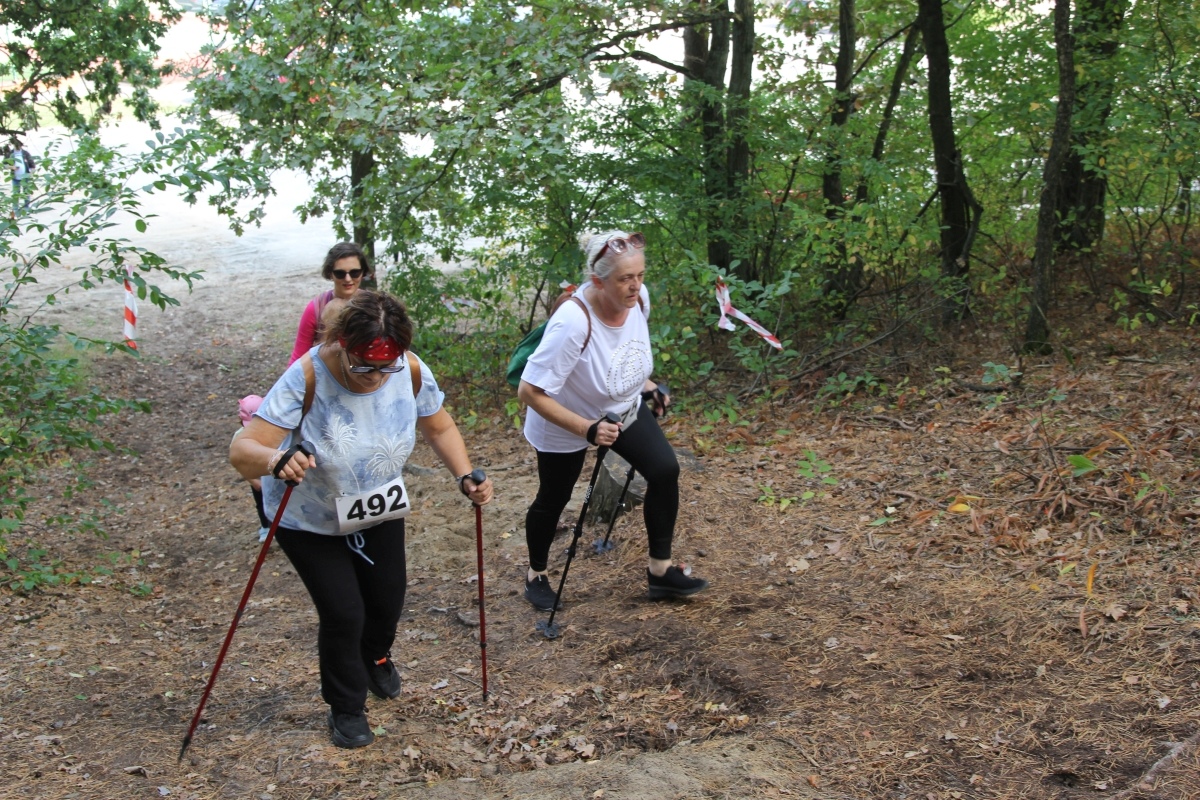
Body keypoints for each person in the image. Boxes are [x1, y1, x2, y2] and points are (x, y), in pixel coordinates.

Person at [230, 289, 494, 749]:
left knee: (387, 601)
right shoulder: (306, 376)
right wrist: (277, 460)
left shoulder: (410, 369)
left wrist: (464, 475)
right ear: (340, 343)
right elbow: (242, 450)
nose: (375, 376)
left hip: (377, 505)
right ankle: (346, 707)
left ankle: (374, 657)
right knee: (343, 612)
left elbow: (439, 426)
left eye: (386, 367)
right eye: (364, 366)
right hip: (308, 518)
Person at [516, 229, 707, 611]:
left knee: (664, 470)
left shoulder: (638, 299)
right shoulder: (573, 323)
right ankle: (536, 574)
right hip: (564, 420)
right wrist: (586, 429)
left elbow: (621, 355)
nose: (635, 286)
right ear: (598, 281)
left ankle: (660, 572)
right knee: (553, 498)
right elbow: (530, 392)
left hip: (619, 408)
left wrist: (648, 387)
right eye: (625, 279)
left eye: (640, 275)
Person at [288, 241, 372, 366]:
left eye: (354, 272)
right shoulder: (315, 309)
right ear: (330, 274)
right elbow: (298, 358)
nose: (348, 279)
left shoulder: (374, 306)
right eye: (340, 273)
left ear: (363, 272)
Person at [9, 139, 31, 217]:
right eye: (16, 146)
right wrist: (12, 167)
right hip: (15, 177)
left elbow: (32, 164)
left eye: (19, 145)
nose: (18, 147)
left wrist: (31, 173)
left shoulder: (25, 153)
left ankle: (26, 208)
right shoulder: (10, 153)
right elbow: (4, 164)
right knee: (16, 193)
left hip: (25, 177)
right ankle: (15, 209)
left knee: (26, 192)